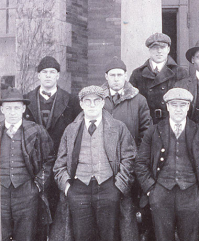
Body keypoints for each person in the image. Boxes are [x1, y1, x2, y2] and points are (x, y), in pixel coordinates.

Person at [53, 85, 136, 241]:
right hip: (78, 190)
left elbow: (130, 158)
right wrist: (68, 188)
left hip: (109, 188)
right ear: (81, 104)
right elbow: (59, 164)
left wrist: (119, 187)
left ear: (103, 103)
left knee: (109, 235)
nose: (92, 105)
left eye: (96, 101)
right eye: (87, 101)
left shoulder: (118, 128)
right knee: (81, 235)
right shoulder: (71, 130)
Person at [135, 88, 199, 241]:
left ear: (188, 107)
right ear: (167, 106)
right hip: (161, 193)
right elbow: (140, 163)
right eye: (174, 105)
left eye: (182, 105)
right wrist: (151, 190)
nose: (178, 109)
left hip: (191, 193)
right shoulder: (154, 131)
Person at [23, 56, 81, 230]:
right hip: (33, 165)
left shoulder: (71, 101)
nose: (48, 76)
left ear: (58, 76)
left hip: (59, 164)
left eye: (52, 72)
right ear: (38, 76)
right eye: (44, 72)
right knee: (33, 210)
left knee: (58, 210)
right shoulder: (26, 100)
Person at [102, 56, 152, 239]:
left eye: (120, 75)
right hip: (104, 164)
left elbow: (146, 133)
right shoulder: (98, 100)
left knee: (127, 211)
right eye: (112, 75)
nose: (116, 78)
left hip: (129, 164)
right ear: (106, 77)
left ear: (125, 76)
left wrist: (135, 159)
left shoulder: (138, 100)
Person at [1, 88, 55, 241]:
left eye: (16, 107)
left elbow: (49, 160)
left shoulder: (36, 131)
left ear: (23, 109)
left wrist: (38, 185)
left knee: (25, 236)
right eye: (8, 108)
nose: (12, 112)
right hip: (1, 194)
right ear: (2, 109)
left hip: (26, 194)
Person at [129, 33, 188, 124]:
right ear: (149, 50)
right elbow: (132, 104)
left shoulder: (180, 73)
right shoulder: (137, 74)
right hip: (146, 122)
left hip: (171, 122)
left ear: (168, 49)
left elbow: (184, 102)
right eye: (155, 48)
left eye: (163, 47)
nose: (159, 51)